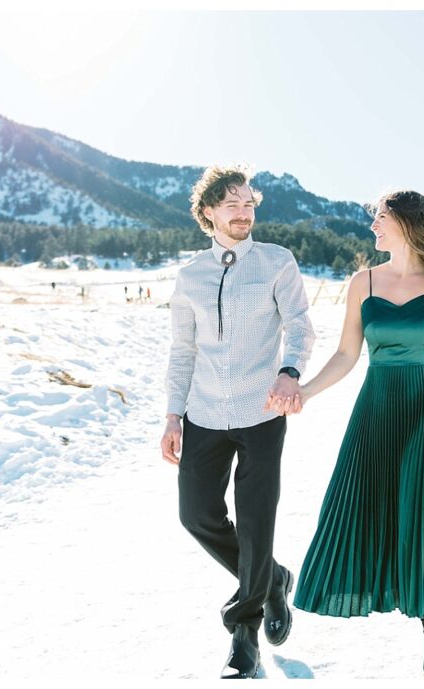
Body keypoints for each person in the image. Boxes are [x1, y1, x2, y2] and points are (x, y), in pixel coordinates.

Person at [291, 190, 424, 678]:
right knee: (386, 513)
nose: (373, 228)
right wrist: (306, 391)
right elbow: (347, 354)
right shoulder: (361, 282)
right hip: (380, 410)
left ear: (407, 224)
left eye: (381, 219)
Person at [160, 165, 315, 679]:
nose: (244, 213)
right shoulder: (190, 277)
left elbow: (299, 326)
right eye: (232, 205)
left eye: (249, 204)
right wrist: (172, 415)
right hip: (203, 413)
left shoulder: (276, 262)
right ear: (208, 212)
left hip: (261, 411)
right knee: (196, 514)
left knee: (255, 521)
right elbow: (183, 350)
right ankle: (272, 580)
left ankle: (243, 633)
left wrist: (291, 372)